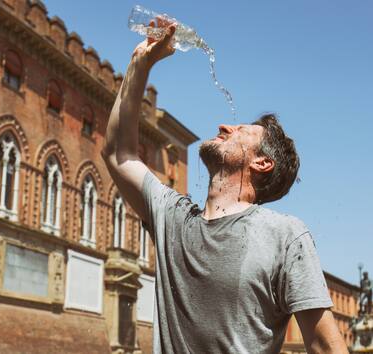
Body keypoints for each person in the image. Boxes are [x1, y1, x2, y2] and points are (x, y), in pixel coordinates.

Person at [101, 22, 348, 353]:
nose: (223, 125)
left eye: (241, 130)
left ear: (261, 163)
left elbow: (327, 348)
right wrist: (139, 64)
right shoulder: (171, 217)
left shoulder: (285, 236)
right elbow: (118, 153)